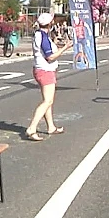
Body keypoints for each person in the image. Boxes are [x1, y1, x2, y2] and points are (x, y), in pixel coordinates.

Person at [26, 13, 72, 141]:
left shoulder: (39, 34)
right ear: (50, 24)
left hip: (40, 69)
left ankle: (51, 127)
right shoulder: (44, 37)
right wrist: (65, 48)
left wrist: (55, 42)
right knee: (48, 101)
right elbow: (50, 56)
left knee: (48, 100)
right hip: (45, 70)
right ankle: (32, 128)